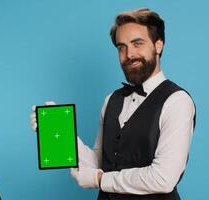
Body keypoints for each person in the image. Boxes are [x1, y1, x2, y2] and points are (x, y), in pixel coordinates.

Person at [30, 8, 196, 200]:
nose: (129, 54)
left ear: (158, 45)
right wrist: (60, 134)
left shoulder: (177, 101)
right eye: (121, 47)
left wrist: (101, 180)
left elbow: (163, 177)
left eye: (137, 43)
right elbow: (99, 161)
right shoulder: (112, 100)